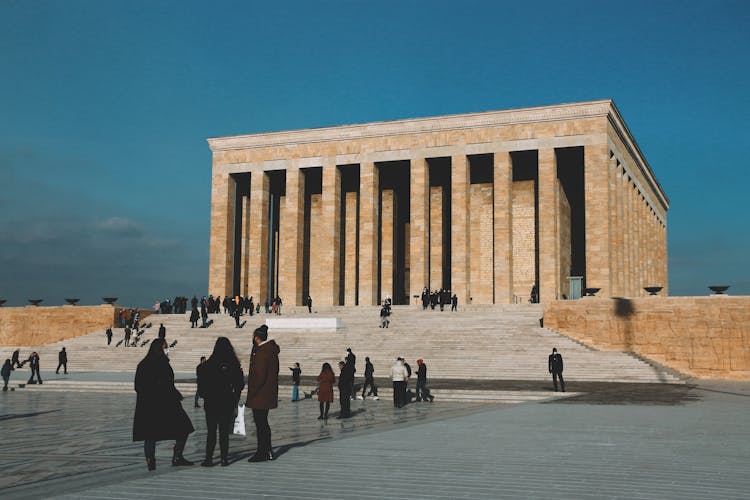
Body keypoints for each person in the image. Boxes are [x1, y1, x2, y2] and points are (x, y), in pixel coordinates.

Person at [133, 339, 195, 471]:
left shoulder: (143, 364)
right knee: (183, 428)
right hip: (165, 404)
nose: (167, 349)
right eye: (165, 347)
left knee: (150, 435)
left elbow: (138, 386)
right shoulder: (162, 364)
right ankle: (177, 457)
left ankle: (151, 462)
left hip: (149, 406)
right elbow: (166, 384)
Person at [197, 337, 245, 467]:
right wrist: (235, 398)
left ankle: (209, 459)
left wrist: (205, 395)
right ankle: (224, 459)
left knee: (211, 431)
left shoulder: (208, 365)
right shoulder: (233, 365)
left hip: (211, 402)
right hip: (226, 401)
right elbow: (240, 384)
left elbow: (201, 382)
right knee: (224, 432)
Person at [246, 325, 280, 462]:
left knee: (260, 425)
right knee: (263, 424)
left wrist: (252, 391)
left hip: (260, 394)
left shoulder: (262, 352)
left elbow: (259, 375)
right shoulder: (270, 350)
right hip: (268, 393)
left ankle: (262, 452)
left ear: (256, 337)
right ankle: (268, 451)